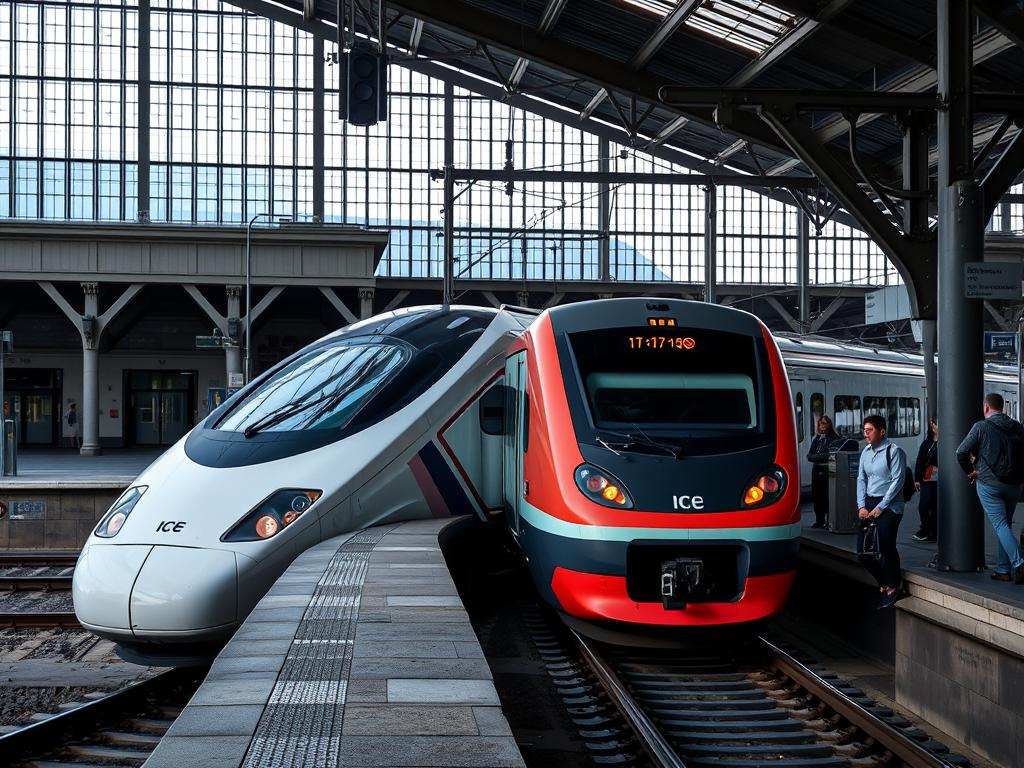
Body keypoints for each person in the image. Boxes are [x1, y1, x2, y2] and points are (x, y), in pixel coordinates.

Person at [955, 393, 1024, 584]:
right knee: (1005, 525)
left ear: (986, 407)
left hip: (989, 483)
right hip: (1014, 485)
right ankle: (1003, 569)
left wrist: (970, 471)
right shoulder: (1018, 427)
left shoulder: (981, 427)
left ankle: (1019, 562)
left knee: (1000, 524)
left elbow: (961, 452)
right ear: (1003, 407)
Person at [856, 414, 907, 609]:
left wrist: (881, 507)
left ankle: (893, 586)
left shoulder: (895, 452)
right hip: (869, 501)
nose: (866, 434)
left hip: (890, 504)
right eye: (865, 430)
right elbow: (861, 479)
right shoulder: (865, 452)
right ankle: (884, 581)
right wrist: (861, 505)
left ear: (882, 432)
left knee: (886, 545)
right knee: (862, 552)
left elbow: (898, 481)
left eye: (869, 430)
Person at [806, 415, 859, 528]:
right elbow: (809, 455)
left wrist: (817, 457)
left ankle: (830, 520)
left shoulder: (834, 438)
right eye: (820, 424)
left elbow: (830, 453)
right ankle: (819, 520)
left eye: (824, 423)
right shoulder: (818, 438)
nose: (822, 426)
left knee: (827, 496)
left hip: (827, 469)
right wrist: (817, 457)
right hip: (816, 470)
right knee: (817, 495)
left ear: (829, 425)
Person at [912, 417, 938, 542]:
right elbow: (920, 461)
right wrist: (917, 479)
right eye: (936, 424)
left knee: (935, 506)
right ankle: (926, 529)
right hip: (927, 478)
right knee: (923, 505)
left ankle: (933, 531)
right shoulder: (927, 443)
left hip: (939, 479)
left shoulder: (946, 441)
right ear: (932, 425)